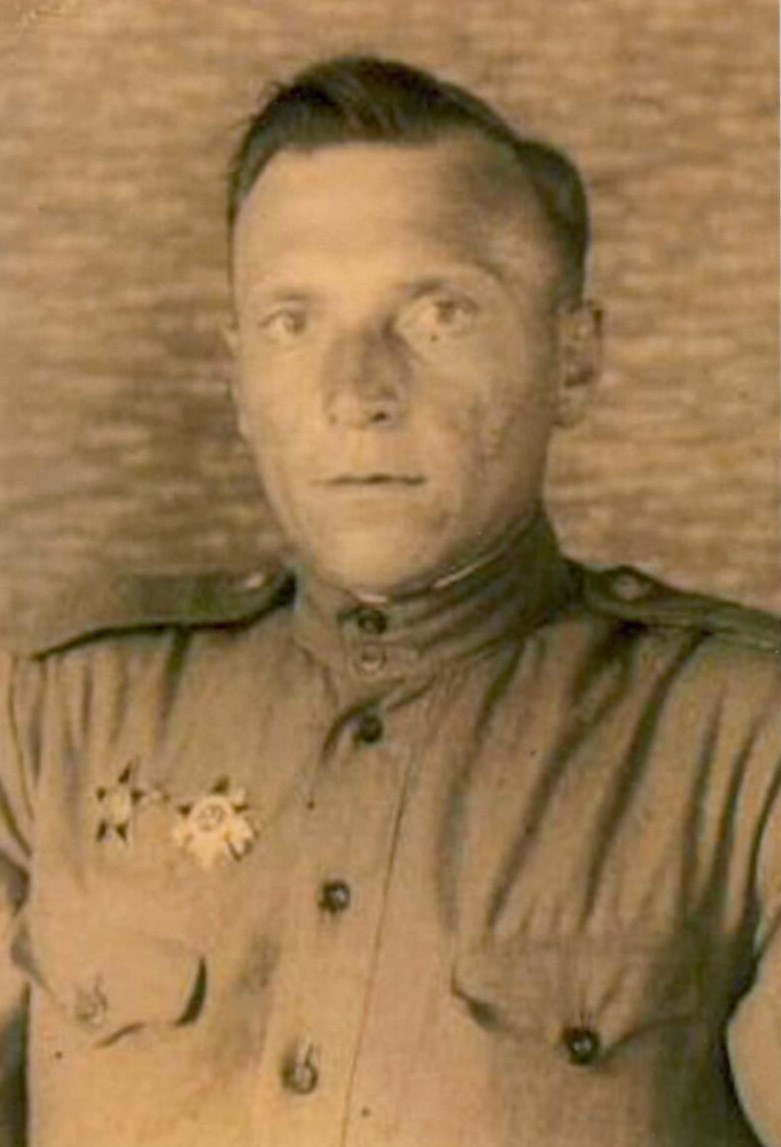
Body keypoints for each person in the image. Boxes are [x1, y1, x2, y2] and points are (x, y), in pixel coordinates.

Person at [0, 54, 779, 1147]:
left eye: (438, 313)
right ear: (237, 377)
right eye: (293, 322)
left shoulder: (742, 742)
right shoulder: (63, 714)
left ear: (572, 358)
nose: (356, 391)